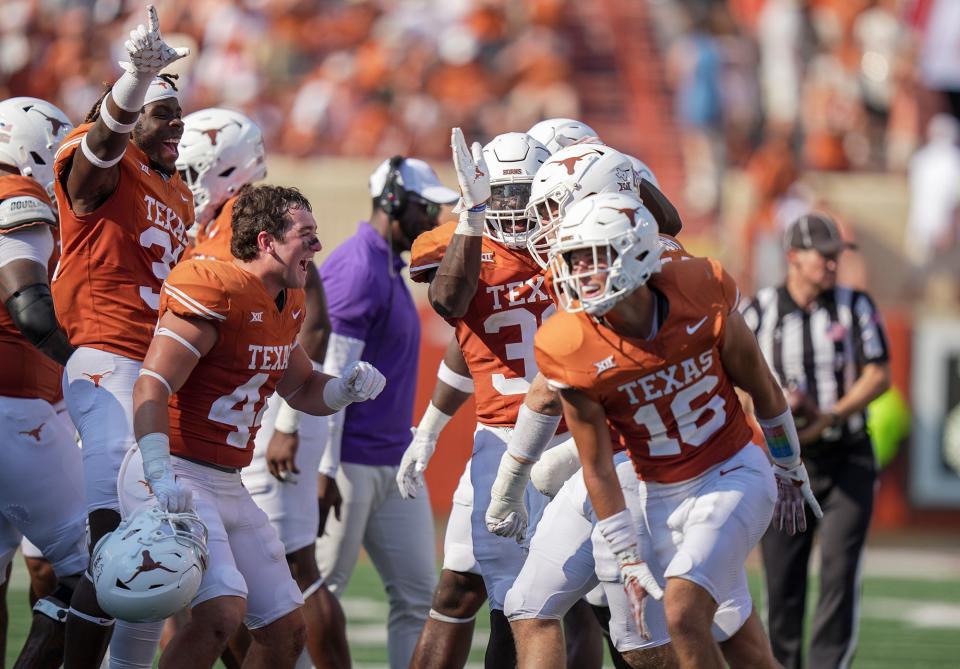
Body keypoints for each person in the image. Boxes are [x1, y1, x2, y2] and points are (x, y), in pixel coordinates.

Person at [533, 193, 821, 669]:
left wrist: (789, 467)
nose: (578, 272)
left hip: (732, 472)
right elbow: (597, 464)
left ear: (635, 251)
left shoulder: (699, 289)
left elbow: (763, 389)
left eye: (592, 257)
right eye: (573, 259)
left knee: (684, 611)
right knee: (742, 644)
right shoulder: (569, 343)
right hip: (659, 498)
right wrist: (626, 554)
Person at [125, 184, 385, 668]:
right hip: (175, 473)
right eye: (305, 235)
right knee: (220, 614)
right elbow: (151, 387)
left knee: (286, 630)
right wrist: (158, 474)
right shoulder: (217, 290)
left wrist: (345, 389)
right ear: (267, 241)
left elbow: (303, 388)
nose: (317, 246)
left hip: (228, 481)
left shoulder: (285, 302)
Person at [176, 107, 348, 668]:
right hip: (206, 434)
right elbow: (165, 370)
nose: (186, 180)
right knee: (206, 595)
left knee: (288, 589)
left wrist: (304, 415)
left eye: (196, 168)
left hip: (257, 425)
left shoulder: (265, 234)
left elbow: (309, 330)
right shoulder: (209, 242)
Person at [50, 7, 194, 667]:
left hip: (150, 375)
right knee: (112, 545)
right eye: (165, 113)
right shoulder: (105, 160)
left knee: (151, 551)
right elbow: (97, 155)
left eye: (178, 112)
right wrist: (134, 82)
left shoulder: (179, 193)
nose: (179, 124)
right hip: (104, 360)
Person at [314, 153, 458, 669]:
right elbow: (330, 375)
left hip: (392, 460)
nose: (434, 220)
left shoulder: (387, 265)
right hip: (349, 461)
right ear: (395, 201)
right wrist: (324, 467)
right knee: (318, 591)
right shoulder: (357, 266)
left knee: (420, 596)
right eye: (427, 208)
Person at [742, 212, 890, 669]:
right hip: (786, 466)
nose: (831, 265)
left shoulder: (855, 305)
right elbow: (735, 383)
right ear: (793, 257)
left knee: (839, 574)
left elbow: (878, 374)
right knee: (783, 582)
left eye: (835, 256)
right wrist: (772, 411)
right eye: (823, 256)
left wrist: (830, 415)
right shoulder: (758, 310)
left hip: (847, 457)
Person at [0, 95, 89, 669]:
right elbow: (30, 306)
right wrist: (85, 365)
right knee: (109, 564)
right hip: (17, 412)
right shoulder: (19, 196)